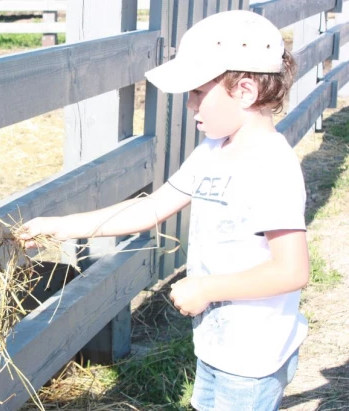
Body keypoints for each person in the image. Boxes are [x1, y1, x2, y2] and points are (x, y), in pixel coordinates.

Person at [19, 10, 309, 411]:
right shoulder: (213, 152)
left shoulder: (271, 167)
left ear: (244, 91)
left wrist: (208, 288)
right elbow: (153, 208)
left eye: (197, 92)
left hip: (253, 357)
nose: (190, 106)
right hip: (215, 344)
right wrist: (58, 228)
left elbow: (292, 271)